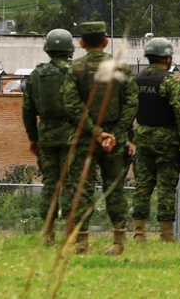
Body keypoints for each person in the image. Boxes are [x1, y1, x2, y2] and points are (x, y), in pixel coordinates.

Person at [22, 29, 115, 247]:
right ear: (70, 50)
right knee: (74, 186)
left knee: (50, 185)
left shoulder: (36, 76)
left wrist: (33, 138)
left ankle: (47, 233)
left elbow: (27, 110)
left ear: (48, 49)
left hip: (46, 137)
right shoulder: (76, 72)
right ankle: (73, 234)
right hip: (73, 137)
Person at [69, 21, 138, 256]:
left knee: (82, 189)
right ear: (106, 42)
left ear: (81, 43)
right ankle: (119, 242)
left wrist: (96, 133)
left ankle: (81, 244)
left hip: (84, 138)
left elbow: (72, 106)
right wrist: (115, 134)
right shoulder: (120, 68)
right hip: (115, 140)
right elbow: (131, 103)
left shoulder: (75, 69)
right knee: (115, 189)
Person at [131, 38, 180, 243]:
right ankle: (166, 234)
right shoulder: (170, 81)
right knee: (166, 187)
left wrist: (134, 137)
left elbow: (124, 114)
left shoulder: (136, 80)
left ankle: (139, 233)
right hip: (167, 142)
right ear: (167, 57)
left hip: (143, 139)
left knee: (142, 186)